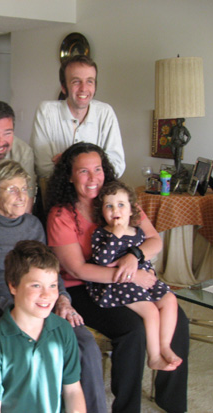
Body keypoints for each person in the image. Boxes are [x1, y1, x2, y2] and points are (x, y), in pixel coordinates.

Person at [46, 142, 189, 413]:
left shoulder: (119, 200)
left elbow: (154, 240)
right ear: (70, 176)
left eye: (98, 169)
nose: (93, 178)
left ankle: (172, 401)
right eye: (83, 171)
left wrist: (134, 256)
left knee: (177, 317)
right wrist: (130, 276)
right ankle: (127, 408)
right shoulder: (61, 215)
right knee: (133, 329)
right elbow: (77, 269)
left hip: (128, 279)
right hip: (83, 288)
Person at [0, 159, 107, 412]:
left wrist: (62, 298)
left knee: (84, 342)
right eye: (12, 189)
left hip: (41, 300)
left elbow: (49, 269)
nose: (21, 196)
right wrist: (12, 307)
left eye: (24, 188)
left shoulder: (33, 224)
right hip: (3, 308)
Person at [0, 240, 86, 413]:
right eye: (36, 285)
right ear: (13, 286)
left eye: (53, 285)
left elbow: (72, 391)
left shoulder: (63, 330)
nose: (47, 295)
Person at [89, 181, 181, 371]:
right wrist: (115, 235)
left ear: (132, 210)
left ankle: (165, 346)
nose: (116, 210)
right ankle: (154, 357)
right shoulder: (102, 234)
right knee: (151, 311)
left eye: (121, 205)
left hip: (141, 279)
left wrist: (149, 271)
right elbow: (102, 260)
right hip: (118, 284)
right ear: (102, 212)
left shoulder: (138, 233)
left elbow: (143, 258)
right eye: (109, 206)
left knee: (170, 299)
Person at [30, 55, 125, 182]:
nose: (84, 88)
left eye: (89, 81)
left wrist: (65, 161)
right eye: (76, 81)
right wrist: (95, 166)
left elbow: (117, 167)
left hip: (97, 192)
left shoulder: (105, 112)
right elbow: (42, 167)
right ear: (64, 87)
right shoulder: (46, 112)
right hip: (58, 191)